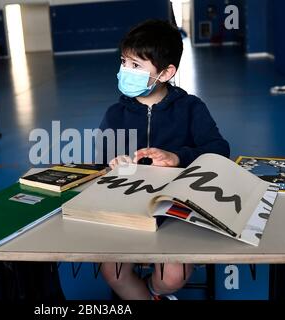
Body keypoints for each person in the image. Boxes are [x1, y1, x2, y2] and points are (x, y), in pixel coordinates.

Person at [98, 19, 230, 300]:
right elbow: (99, 158)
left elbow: (219, 150)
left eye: (136, 66)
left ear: (166, 73)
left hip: (179, 206)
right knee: (113, 274)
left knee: (172, 277)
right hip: (128, 205)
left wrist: (178, 157)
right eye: (124, 62)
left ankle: (156, 291)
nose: (125, 71)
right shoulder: (114, 113)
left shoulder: (192, 108)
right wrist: (111, 162)